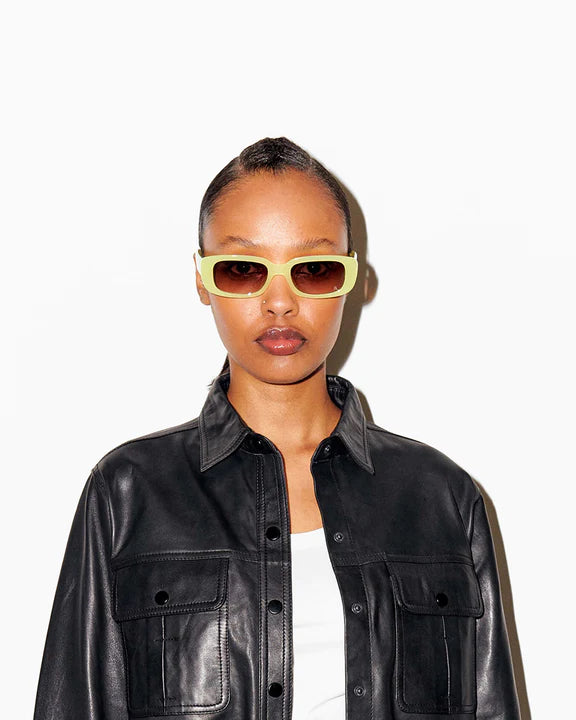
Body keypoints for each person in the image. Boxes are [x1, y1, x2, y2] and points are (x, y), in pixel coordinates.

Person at [33, 137, 521, 720]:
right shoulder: (127, 491)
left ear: (352, 279)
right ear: (202, 279)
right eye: (243, 270)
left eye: (313, 269)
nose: (280, 303)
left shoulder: (442, 496)